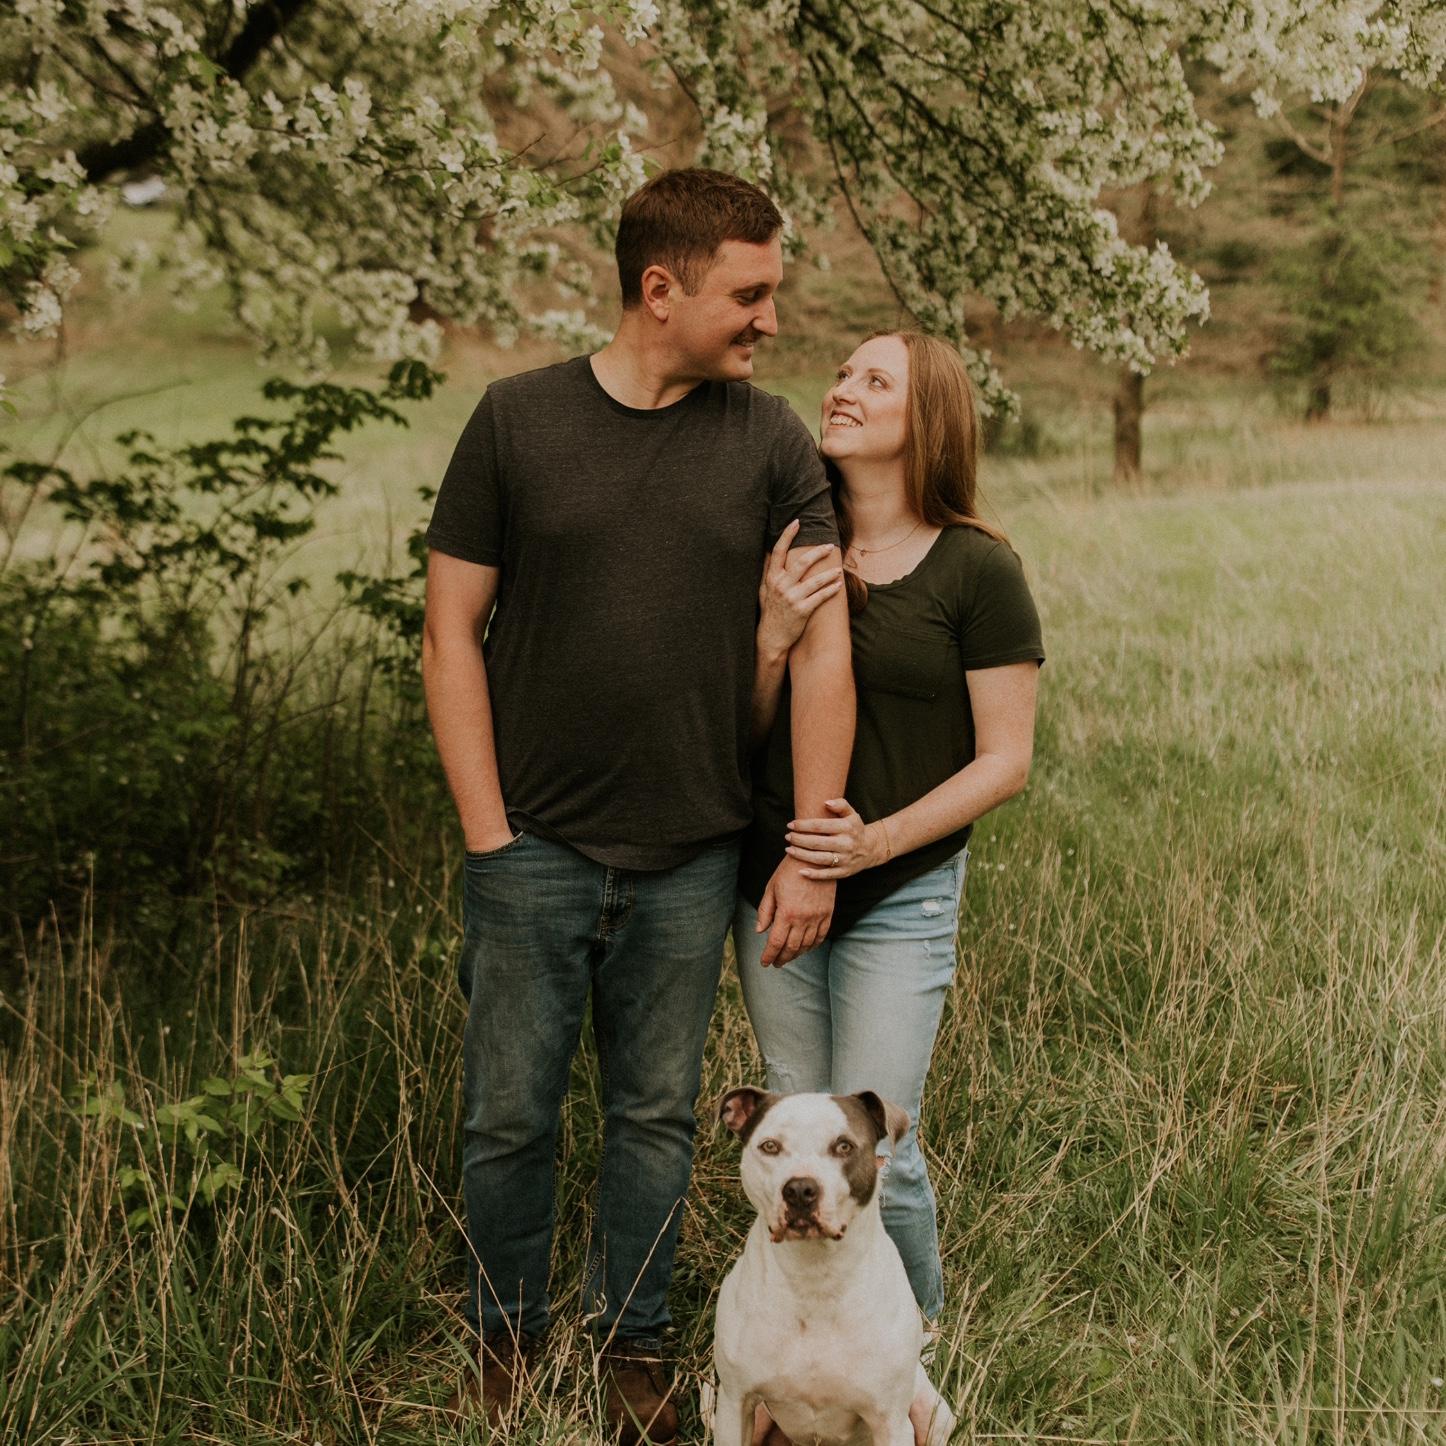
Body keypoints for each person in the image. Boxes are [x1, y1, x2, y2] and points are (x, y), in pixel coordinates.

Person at [421, 167, 855, 1443]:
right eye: (750, 293)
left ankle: (635, 1346)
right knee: (508, 1115)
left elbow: (822, 647)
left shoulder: (772, 441)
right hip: (532, 846)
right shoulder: (516, 422)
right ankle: (504, 1336)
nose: (771, 318)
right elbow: (449, 633)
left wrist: (809, 845)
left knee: (656, 1118)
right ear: (660, 289)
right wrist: (487, 831)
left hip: (690, 853)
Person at [735, 329, 1043, 1435]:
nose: (843, 390)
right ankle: (795, 1352)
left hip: (900, 892)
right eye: (843, 373)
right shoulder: (786, 544)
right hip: (773, 888)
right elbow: (741, 736)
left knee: (880, 1151)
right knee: (793, 1138)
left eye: (876, 382)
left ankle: (910, 1361)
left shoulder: (977, 568)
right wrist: (771, 639)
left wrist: (876, 845)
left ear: (931, 419)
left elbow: (1006, 760)